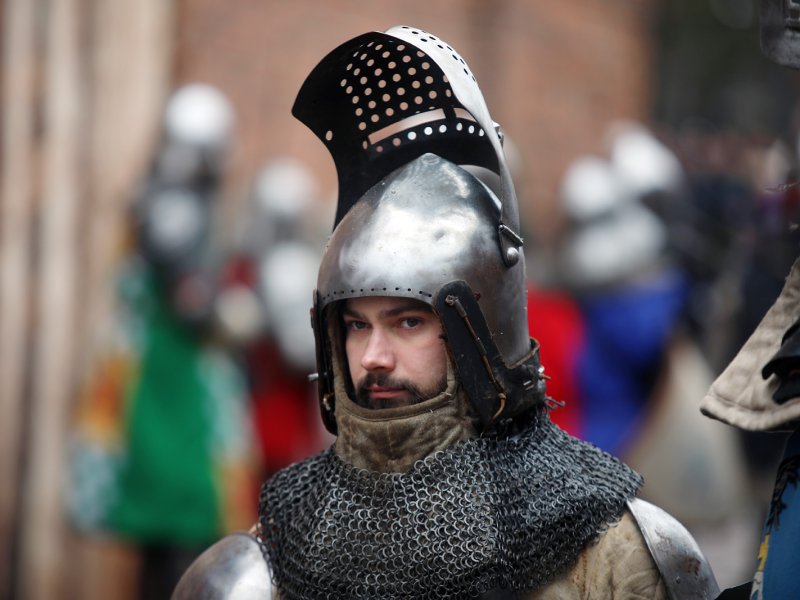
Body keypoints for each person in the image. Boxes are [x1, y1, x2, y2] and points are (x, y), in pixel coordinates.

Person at [172, 26, 719, 599]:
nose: (373, 357)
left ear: (483, 334)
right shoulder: (279, 549)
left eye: (408, 322)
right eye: (356, 325)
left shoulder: (614, 555)